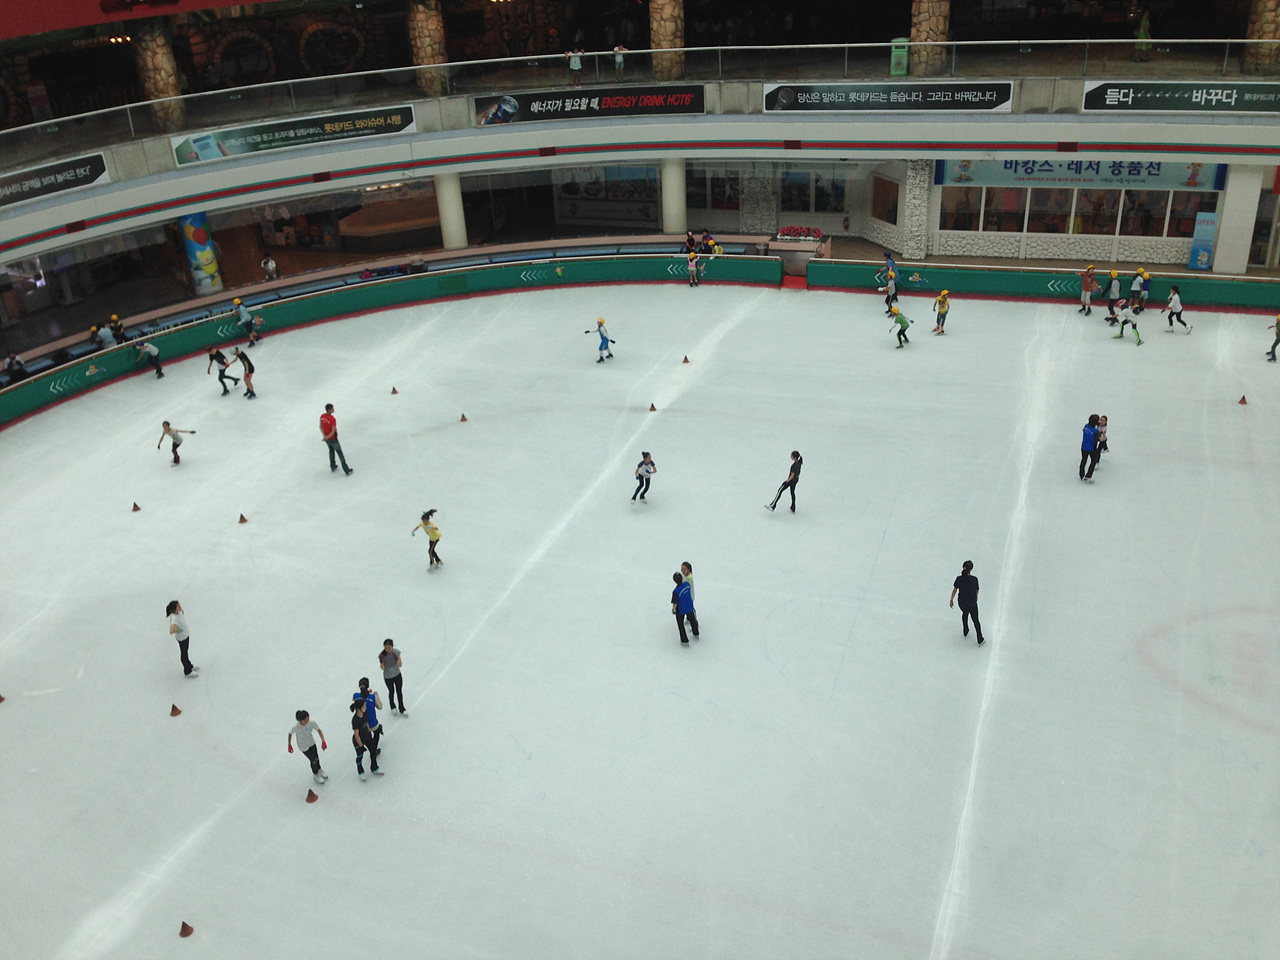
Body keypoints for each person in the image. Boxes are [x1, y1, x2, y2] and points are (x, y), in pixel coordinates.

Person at [948, 561, 985, 646]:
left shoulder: (959, 579)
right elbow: (976, 591)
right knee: (975, 620)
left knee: (965, 613)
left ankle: (965, 629)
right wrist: (975, 598)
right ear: (971, 569)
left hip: (962, 602)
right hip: (972, 603)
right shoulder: (974, 579)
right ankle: (980, 638)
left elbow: (955, 590)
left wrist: (951, 599)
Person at [288, 710, 328, 784]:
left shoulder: (311, 723)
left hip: (311, 742)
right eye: (305, 720)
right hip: (303, 746)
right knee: (313, 760)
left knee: (316, 757)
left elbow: (319, 730)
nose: (307, 721)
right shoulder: (296, 727)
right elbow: (290, 734)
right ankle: (315, 774)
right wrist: (289, 744)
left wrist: (323, 741)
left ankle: (319, 769)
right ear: (300, 721)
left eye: (308, 719)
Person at [350, 698, 382, 781]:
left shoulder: (365, 713)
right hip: (358, 741)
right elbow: (356, 735)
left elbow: (367, 723)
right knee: (360, 756)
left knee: (373, 751)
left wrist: (369, 732)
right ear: (359, 709)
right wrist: (361, 745)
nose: (365, 707)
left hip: (367, 736)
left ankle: (374, 767)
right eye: (364, 706)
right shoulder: (355, 720)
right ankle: (360, 771)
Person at [166, 600, 198, 676]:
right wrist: (177, 630)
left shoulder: (179, 612)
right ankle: (187, 671)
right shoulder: (174, 618)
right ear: (174, 609)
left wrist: (181, 609)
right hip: (182, 638)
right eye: (178, 606)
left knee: (186, 651)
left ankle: (189, 665)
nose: (180, 607)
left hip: (186, 635)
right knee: (184, 653)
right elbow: (171, 631)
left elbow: (181, 613)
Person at [353, 678, 384, 759]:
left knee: (368, 737)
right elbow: (380, 706)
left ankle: (372, 749)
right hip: (372, 723)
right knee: (377, 732)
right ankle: (374, 750)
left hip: (362, 725)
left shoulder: (356, 696)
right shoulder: (373, 697)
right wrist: (376, 695)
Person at [320, 403, 353, 475]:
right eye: (332, 408)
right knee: (340, 453)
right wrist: (327, 437)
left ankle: (333, 466)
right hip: (333, 439)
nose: (333, 409)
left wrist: (325, 436)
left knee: (331, 450)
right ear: (329, 410)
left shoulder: (322, 416)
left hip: (327, 440)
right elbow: (333, 431)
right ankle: (346, 470)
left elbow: (321, 426)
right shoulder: (332, 419)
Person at [379, 640, 407, 716]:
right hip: (388, 677)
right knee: (391, 691)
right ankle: (392, 706)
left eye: (389, 648)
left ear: (392, 646)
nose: (387, 649)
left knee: (399, 691)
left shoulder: (396, 652)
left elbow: (400, 664)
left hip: (397, 675)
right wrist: (382, 661)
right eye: (385, 648)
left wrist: (396, 658)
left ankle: (402, 708)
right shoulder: (382, 655)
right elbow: (383, 668)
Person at [671, 572, 699, 645]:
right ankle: (696, 633)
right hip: (689, 606)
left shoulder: (676, 591)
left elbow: (675, 603)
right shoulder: (687, 584)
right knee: (692, 620)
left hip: (681, 609)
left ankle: (684, 640)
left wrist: (673, 609)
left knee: (680, 624)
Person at [1080, 413, 1100, 482]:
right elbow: (1099, 439)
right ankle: (1088, 475)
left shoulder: (1086, 426)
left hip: (1083, 446)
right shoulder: (1095, 431)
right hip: (1091, 448)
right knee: (1093, 461)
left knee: (1083, 460)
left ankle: (1081, 474)